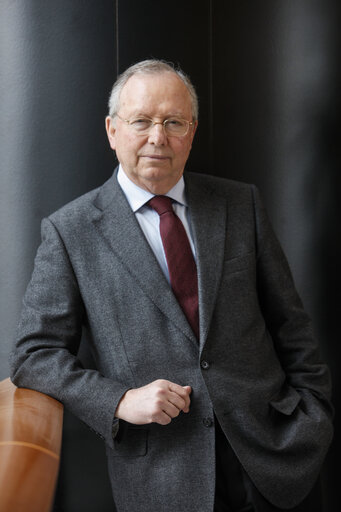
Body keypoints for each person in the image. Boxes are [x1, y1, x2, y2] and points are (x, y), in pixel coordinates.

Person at [10, 59, 333, 512]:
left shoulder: (240, 203)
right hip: (164, 475)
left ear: (192, 131)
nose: (157, 137)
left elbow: (291, 325)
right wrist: (119, 399)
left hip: (277, 457)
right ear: (112, 130)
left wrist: (312, 418)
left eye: (173, 122)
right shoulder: (72, 231)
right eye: (141, 121)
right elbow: (34, 356)